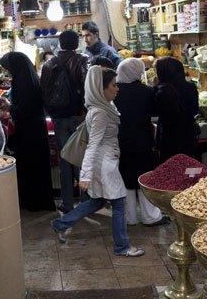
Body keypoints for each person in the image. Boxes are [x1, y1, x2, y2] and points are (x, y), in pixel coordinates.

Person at [51, 66, 145, 257]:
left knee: (97, 201)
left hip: (106, 162)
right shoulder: (101, 113)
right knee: (118, 203)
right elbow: (92, 145)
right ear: (99, 89)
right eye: (113, 85)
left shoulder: (103, 107)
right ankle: (122, 246)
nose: (116, 88)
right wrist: (85, 175)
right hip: (104, 165)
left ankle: (60, 224)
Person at [40, 30, 89, 214]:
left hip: (58, 118)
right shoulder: (82, 60)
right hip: (78, 116)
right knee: (81, 158)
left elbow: (43, 92)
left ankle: (67, 202)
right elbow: (87, 88)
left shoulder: (48, 64)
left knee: (64, 159)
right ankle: (85, 201)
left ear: (60, 43)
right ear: (76, 44)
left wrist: (53, 112)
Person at [115, 58, 168, 226]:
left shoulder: (114, 91)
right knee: (144, 178)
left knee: (126, 178)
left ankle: (129, 217)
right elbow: (155, 112)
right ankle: (150, 216)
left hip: (121, 141)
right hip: (142, 140)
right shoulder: (146, 91)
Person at [0, 51, 55, 212]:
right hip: (34, 130)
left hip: (28, 132)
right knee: (36, 166)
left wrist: (9, 106)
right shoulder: (27, 79)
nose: (8, 72)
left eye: (9, 69)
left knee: (30, 166)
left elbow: (24, 110)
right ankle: (38, 200)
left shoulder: (23, 83)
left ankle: (33, 202)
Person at [154, 57, 200, 162]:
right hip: (188, 135)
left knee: (172, 170)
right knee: (188, 167)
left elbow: (156, 113)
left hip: (169, 138)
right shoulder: (191, 87)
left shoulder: (162, 92)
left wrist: (155, 87)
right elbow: (195, 110)